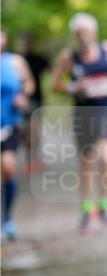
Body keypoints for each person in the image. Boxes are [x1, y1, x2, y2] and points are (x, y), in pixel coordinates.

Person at [51, 13, 107, 233]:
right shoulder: (69, 57)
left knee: (106, 156)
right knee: (87, 161)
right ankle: (86, 209)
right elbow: (55, 84)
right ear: (75, 34)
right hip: (83, 112)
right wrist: (74, 88)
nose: (83, 35)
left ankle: (103, 204)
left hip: (105, 109)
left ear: (94, 32)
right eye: (79, 32)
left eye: (87, 31)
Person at [1, 30, 35, 241]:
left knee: (8, 166)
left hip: (9, 124)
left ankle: (7, 218)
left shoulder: (15, 61)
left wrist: (23, 95)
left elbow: (29, 83)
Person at [17, 31, 50, 173]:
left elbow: (50, 70)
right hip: (18, 101)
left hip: (36, 99)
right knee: (24, 133)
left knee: (34, 131)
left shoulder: (38, 58)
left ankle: (32, 160)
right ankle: (28, 159)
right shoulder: (15, 58)